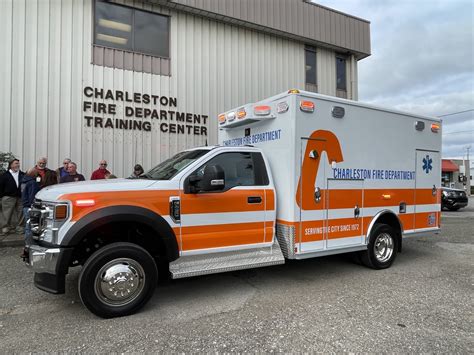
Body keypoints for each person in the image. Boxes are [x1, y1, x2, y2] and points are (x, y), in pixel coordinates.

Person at [0, 159, 25, 236]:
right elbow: (0, 187)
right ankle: (5, 228)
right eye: (16, 163)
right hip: (8, 197)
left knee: (21, 213)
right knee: (6, 214)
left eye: (18, 163)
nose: (18, 165)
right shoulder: (5, 175)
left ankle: (20, 228)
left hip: (20, 197)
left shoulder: (22, 174)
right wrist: (1, 197)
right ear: (11, 165)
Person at [20, 168, 41, 244]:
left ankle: (27, 242)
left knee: (27, 225)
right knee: (31, 226)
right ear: (33, 174)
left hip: (25, 206)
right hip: (30, 206)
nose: (37, 174)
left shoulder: (23, 181)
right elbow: (32, 196)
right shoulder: (32, 183)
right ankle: (30, 243)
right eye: (36, 173)